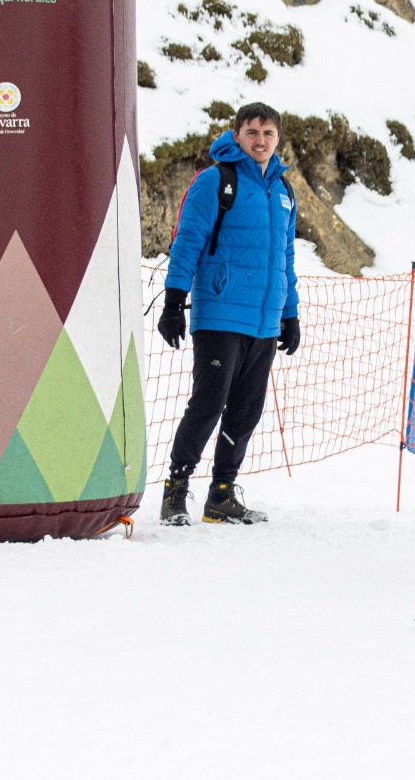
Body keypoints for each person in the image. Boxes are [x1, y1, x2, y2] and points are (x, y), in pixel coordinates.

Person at [157, 102, 300, 526]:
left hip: (264, 318)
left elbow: (286, 258)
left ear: (277, 138)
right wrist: (172, 303)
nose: (260, 140)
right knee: (208, 402)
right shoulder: (216, 181)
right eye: (252, 132)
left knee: (246, 408)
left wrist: (289, 314)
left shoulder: (283, 191)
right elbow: (187, 243)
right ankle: (176, 491)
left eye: (268, 133)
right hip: (220, 313)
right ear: (236, 134)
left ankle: (221, 495)